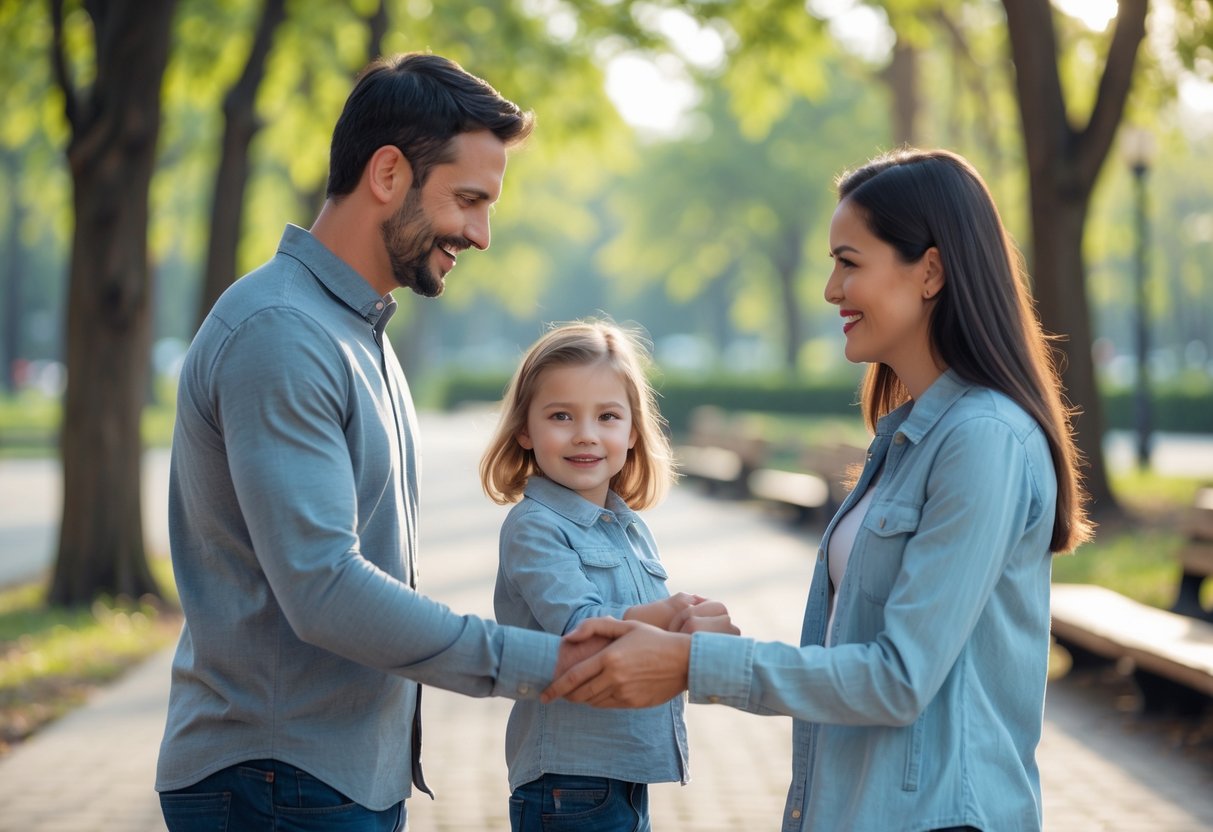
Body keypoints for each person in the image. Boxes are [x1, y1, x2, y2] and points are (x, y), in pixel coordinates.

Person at [543, 148, 1093, 832]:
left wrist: (693, 664)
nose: (831, 289)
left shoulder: (983, 439)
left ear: (929, 271)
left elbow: (896, 679)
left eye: (849, 262)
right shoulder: (909, 436)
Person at [155, 53, 606, 832]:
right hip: (277, 782)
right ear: (389, 173)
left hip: (324, 777)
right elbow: (325, 589)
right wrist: (549, 664)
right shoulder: (283, 334)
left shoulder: (354, 329)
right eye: (467, 199)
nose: (481, 233)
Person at [479, 320, 737, 831]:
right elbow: (583, 626)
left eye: (608, 416)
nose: (586, 435)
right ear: (525, 429)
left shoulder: (628, 528)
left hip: (621, 775)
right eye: (561, 416)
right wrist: (669, 615)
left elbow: (647, 643)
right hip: (569, 783)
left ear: (633, 431)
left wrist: (691, 629)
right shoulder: (534, 527)